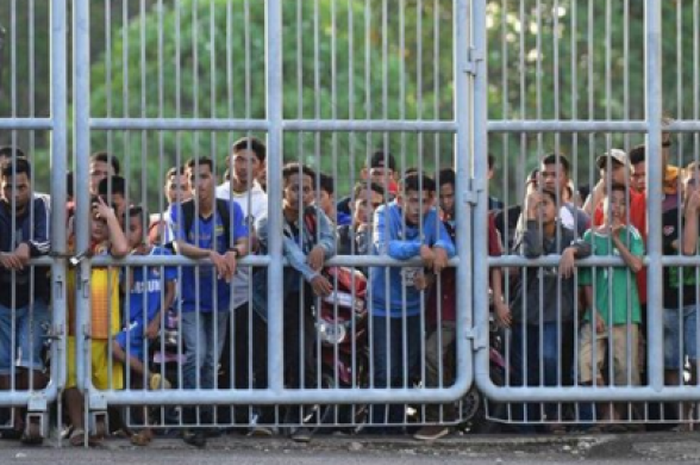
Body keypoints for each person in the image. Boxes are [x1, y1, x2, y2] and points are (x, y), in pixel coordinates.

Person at [414, 169, 507, 441]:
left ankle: (438, 417)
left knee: (433, 353)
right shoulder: (434, 222)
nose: (446, 202)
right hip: (435, 304)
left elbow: (495, 262)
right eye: (441, 197)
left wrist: (499, 301)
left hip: (465, 306)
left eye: (450, 195)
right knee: (434, 357)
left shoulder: (481, 221)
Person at [168, 156, 249, 448]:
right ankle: (190, 419)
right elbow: (179, 245)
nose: (197, 183)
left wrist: (232, 253)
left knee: (211, 359)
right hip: (190, 297)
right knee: (195, 354)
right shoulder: (180, 211)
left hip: (221, 297)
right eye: (192, 178)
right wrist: (209, 254)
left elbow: (244, 241)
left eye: (203, 176)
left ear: (214, 179)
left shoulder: (230, 210)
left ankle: (205, 414)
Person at [254, 162, 335, 443]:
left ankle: (297, 420)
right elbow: (287, 250)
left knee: (304, 357)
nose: (302, 194)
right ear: (282, 190)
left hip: (300, 299)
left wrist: (321, 247)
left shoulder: (316, 216)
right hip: (267, 302)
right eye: (295, 188)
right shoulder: (267, 220)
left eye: (308, 189)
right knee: (270, 359)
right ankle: (265, 418)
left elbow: (330, 238)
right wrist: (313, 274)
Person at [369, 172, 456, 430]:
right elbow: (385, 247)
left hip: (414, 308)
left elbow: (449, 245)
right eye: (413, 200)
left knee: (406, 370)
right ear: (399, 199)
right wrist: (418, 248)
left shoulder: (432, 218)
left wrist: (440, 247)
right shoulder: (384, 214)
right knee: (385, 371)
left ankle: (398, 427)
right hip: (382, 306)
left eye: (425, 202)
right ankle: (379, 427)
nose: (419, 208)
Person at [502, 188, 590, 432]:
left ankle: (553, 412)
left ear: (558, 206)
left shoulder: (567, 234)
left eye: (545, 204)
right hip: (526, 313)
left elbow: (587, 245)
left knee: (550, 361)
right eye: (534, 204)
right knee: (526, 368)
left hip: (556, 313)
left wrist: (571, 251)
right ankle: (526, 423)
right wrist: (530, 218)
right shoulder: (526, 232)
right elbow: (531, 253)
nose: (540, 209)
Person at [215, 136, 270, 434]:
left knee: (243, 355)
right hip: (212, 288)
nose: (244, 166)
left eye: (251, 161)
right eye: (239, 159)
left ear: (261, 167)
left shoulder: (264, 202)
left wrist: (236, 249)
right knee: (217, 357)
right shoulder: (217, 194)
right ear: (229, 161)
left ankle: (242, 419)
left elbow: (256, 238)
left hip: (248, 290)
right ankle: (220, 419)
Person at [65, 196, 129, 446]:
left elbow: (123, 249)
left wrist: (111, 216)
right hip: (71, 324)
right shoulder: (69, 246)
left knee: (103, 379)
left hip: (103, 327)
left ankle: (98, 423)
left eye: (104, 221)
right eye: (94, 220)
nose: (99, 226)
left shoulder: (108, 249)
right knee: (71, 377)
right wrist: (72, 225)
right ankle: (79, 427)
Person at [579, 183, 644, 427]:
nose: (616, 207)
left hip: (625, 313)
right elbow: (586, 279)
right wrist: (593, 310)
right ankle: (607, 412)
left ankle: (615, 418)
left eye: (622, 202)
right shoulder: (589, 236)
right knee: (585, 362)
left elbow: (636, 265)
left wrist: (616, 239)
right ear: (601, 204)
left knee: (625, 370)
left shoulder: (632, 234)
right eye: (612, 201)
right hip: (597, 313)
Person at [113, 205, 176, 446]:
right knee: (135, 379)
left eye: (133, 229)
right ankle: (142, 427)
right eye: (124, 229)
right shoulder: (124, 256)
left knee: (114, 348)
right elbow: (125, 289)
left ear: (145, 229)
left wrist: (157, 321)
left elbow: (171, 291)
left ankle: (145, 423)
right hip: (130, 321)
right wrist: (129, 261)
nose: (129, 234)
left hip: (147, 323)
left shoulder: (162, 253)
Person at [0, 157, 51, 444]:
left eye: (20, 187)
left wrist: (27, 247)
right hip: (3, 297)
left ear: (30, 184)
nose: (14, 193)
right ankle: (11, 418)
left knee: (30, 355)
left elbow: (49, 239)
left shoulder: (41, 205)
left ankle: (32, 417)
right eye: (8, 187)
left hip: (34, 296)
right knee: (3, 359)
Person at [661, 166, 700, 428]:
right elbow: (687, 250)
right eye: (693, 182)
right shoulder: (670, 217)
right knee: (672, 362)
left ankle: (696, 416)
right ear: (682, 186)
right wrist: (689, 215)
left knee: (697, 358)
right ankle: (682, 419)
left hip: (696, 302)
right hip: (670, 302)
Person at [336, 150, 398, 221]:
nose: (382, 180)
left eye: (388, 174)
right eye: (376, 174)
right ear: (365, 174)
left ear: (394, 176)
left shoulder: (399, 205)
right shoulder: (342, 208)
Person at [337, 181, 384, 260]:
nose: (371, 210)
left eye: (376, 205)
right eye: (364, 204)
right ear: (352, 205)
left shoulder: (387, 238)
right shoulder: (338, 234)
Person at [148, 166, 192, 245]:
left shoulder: (200, 223)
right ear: (165, 190)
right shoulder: (152, 222)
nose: (178, 193)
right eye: (173, 187)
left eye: (183, 188)